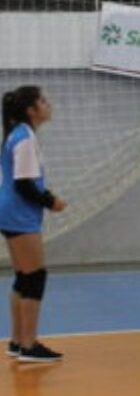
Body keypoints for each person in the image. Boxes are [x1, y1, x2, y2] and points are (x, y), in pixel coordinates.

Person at [1, 87, 67, 363]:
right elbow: (24, 184)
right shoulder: (24, 138)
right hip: (19, 212)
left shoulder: (20, 135)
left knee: (25, 276)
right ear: (31, 110)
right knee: (34, 277)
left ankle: (17, 342)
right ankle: (28, 345)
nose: (48, 104)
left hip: (12, 211)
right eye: (42, 101)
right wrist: (50, 201)